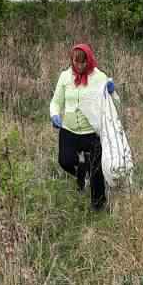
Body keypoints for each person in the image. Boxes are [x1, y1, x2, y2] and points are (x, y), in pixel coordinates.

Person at [49, 43, 115, 212]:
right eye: (75, 62)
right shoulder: (65, 77)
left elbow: (110, 101)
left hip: (91, 132)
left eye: (83, 62)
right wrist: (54, 114)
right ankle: (81, 173)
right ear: (71, 60)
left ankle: (98, 206)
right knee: (65, 161)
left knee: (96, 170)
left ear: (89, 60)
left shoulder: (99, 77)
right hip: (69, 130)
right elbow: (56, 102)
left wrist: (111, 91)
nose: (79, 65)